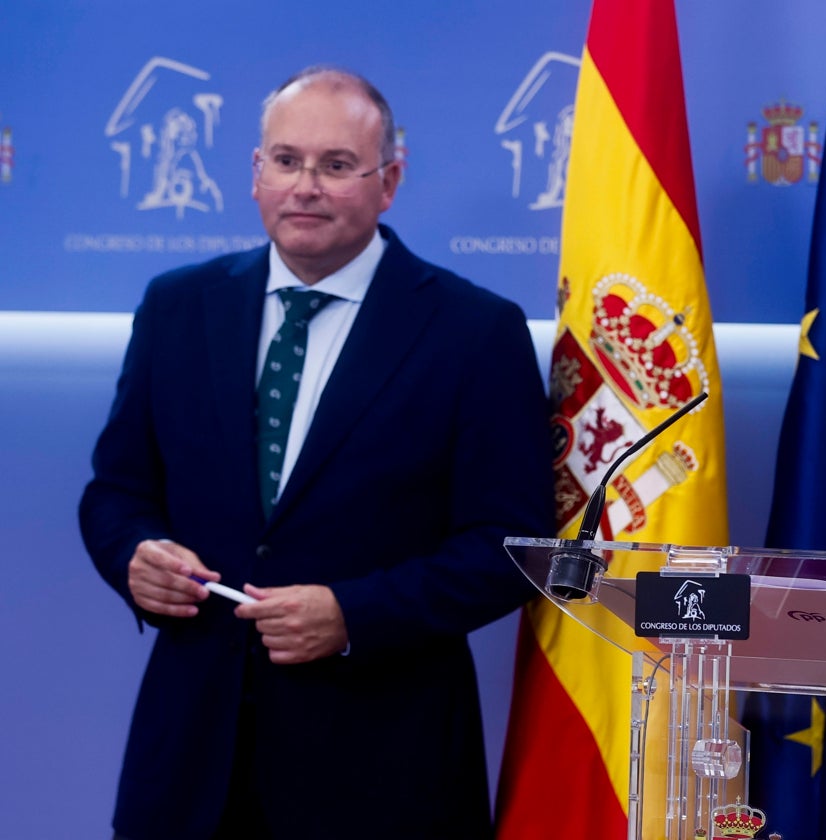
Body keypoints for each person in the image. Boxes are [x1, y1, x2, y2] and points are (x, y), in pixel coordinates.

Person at [79, 66, 554, 840]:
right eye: (286, 161)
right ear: (255, 173)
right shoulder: (177, 306)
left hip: (384, 770)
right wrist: (133, 554)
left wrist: (352, 614)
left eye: (336, 166)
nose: (306, 186)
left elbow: (510, 548)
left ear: (389, 181)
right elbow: (114, 492)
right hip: (193, 759)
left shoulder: (475, 332)